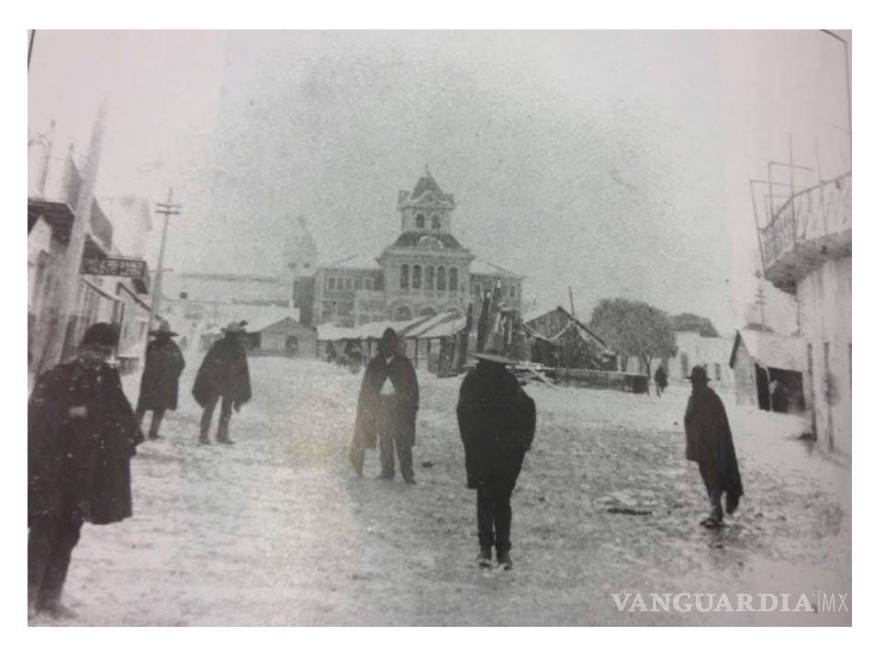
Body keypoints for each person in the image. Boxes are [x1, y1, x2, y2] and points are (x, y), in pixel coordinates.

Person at [28, 323, 144, 618]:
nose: (99, 357)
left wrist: (127, 435)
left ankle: (50, 597)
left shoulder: (107, 377)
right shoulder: (58, 376)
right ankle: (26, 598)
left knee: (69, 532)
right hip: (53, 470)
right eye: (94, 350)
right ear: (82, 347)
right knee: (44, 532)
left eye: (105, 352)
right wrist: (70, 414)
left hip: (86, 472)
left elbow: (122, 414)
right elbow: (35, 419)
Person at [457, 349, 536, 570]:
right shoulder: (476, 382)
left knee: (493, 500)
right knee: (494, 501)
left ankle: (498, 550)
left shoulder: (505, 383)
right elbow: (464, 413)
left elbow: (527, 410)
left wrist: (521, 442)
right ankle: (492, 550)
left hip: (496, 452)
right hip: (488, 451)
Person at [350, 327, 419, 483]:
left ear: (395, 346)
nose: (388, 347)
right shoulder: (376, 363)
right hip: (382, 407)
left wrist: (411, 406)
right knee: (385, 440)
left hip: (401, 408)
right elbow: (367, 387)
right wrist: (368, 406)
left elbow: (413, 388)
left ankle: (408, 473)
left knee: (403, 442)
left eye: (391, 344)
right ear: (382, 346)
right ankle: (387, 471)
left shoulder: (404, 363)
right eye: (385, 344)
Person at [684, 365, 743, 528]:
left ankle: (716, 514)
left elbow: (718, 426)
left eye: (698, 382)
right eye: (693, 382)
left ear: (704, 382)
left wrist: (712, 446)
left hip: (713, 450)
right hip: (701, 451)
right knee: (709, 481)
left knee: (713, 481)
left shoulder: (711, 400)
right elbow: (690, 421)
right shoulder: (694, 398)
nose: (695, 385)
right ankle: (715, 513)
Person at [192, 321, 252, 445]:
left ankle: (220, 435)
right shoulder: (220, 346)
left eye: (235, 334)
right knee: (213, 409)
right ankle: (206, 436)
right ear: (228, 334)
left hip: (226, 383)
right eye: (233, 334)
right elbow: (208, 363)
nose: (234, 336)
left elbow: (242, 369)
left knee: (224, 410)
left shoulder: (235, 348)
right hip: (218, 383)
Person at [135, 320, 185, 440]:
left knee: (151, 408)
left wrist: (171, 376)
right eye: (160, 335)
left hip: (156, 383)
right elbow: (181, 364)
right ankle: (144, 431)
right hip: (156, 383)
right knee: (150, 408)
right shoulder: (167, 347)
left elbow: (181, 364)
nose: (161, 337)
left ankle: (144, 431)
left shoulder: (162, 347)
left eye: (163, 335)